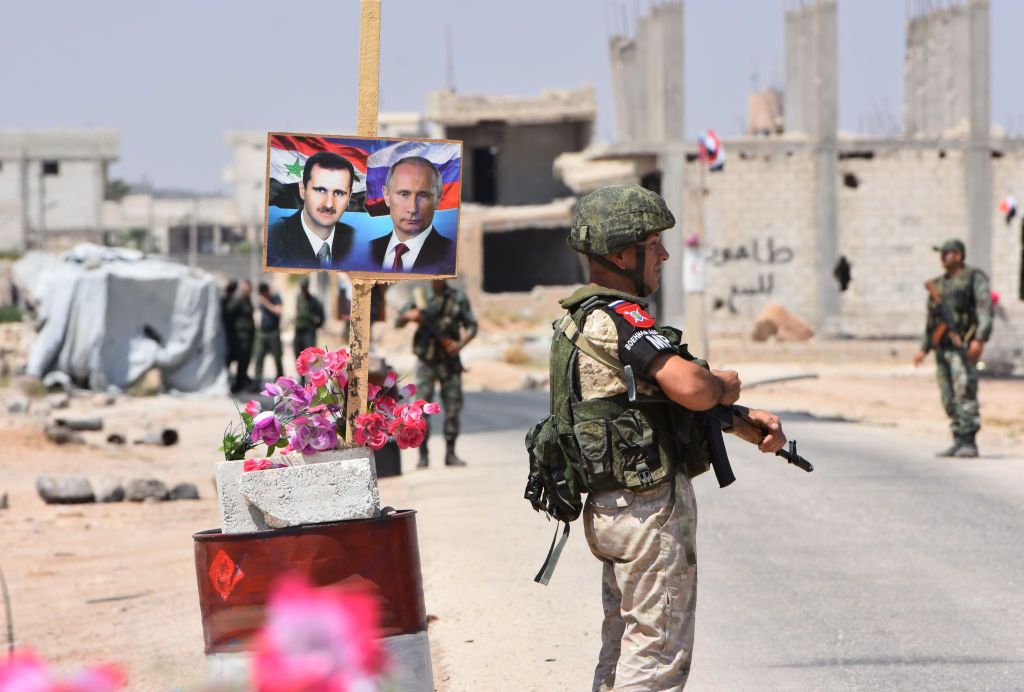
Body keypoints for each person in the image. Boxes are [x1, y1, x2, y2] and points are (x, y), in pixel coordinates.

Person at [559, 184, 788, 690]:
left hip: (612, 508)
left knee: (623, 647)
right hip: (646, 512)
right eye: (653, 243)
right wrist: (723, 385)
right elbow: (689, 386)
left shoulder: (580, 320)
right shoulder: (621, 318)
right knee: (657, 655)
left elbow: (651, 404)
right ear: (621, 252)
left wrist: (746, 424)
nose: (663, 254)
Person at [912, 238, 993, 457]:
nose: (943, 257)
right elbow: (931, 320)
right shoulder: (938, 284)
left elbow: (985, 309)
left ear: (959, 255)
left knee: (964, 390)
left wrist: (980, 339)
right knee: (948, 395)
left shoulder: (973, 278)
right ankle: (958, 437)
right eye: (941, 254)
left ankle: (969, 440)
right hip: (942, 348)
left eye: (947, 253)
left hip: (962, 346)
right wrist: (924, 348)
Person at [396, 279, 477, 467]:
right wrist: (411, 315)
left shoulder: (458, 298)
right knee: (420, 409)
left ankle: (450, 453)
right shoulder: (420, 296)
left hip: (450, 362)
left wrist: (459, 345)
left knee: (453, 408)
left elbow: (472, 326)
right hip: (426, 362)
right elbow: (398, 321)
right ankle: (423, 455)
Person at [267, 151, 356, 270]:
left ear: (349, 197)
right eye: (320, 190)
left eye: (339, 193)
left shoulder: (355, 241)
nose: (329, 204)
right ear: (302, 189)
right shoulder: (273, 238)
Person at [369, 157, 456, 274]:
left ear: (438, 199)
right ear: (386, 196)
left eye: (423, 196)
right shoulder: (365, 252)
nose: (413, 209)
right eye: (404, 194)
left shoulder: (454, 256)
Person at [253, 282, 284, 386]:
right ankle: (257, 382)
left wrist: (266, 302)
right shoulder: (261, 300)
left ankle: (281, 381)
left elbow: (278, 310)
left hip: (273, 332)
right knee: (259, 357)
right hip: (262, 333)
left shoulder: (275, 297)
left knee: (277, 357)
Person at [226, 279, 255, 393]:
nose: (247, 290)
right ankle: (237, 384)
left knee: (245, 361)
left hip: (247, 335)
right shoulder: (239, 299)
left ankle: (241, 381)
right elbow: (229, 312)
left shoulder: (247, 300)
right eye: (245, 287)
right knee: (241, 360)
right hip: (240, 336)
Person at [293, 277, 325, 364]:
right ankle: (302, 377)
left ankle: (312, 377)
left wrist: (317, 326)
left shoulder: (313, 300)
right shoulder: (298, 298)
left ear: (307, 287)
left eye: (304, 287)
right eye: (302, 287)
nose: (303, 289)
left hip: (309, 332)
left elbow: (321, 315)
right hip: (298, 331)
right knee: (298, 356)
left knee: (310, 356)